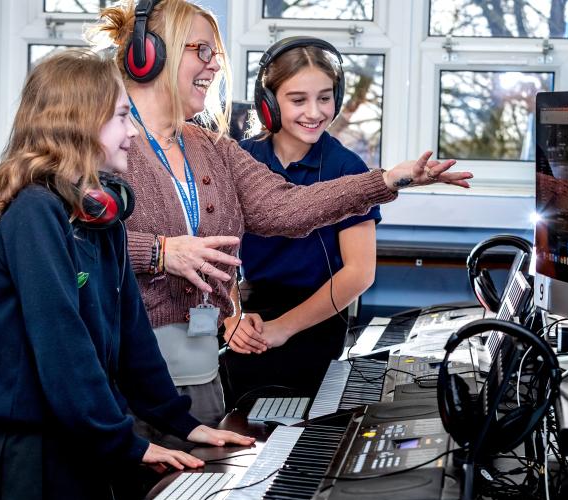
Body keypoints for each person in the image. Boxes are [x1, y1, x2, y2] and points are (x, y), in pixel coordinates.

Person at [92, 0, 472, 445]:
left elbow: (286, 209)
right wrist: (159, 252)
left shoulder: (212, 147)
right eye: (202, 50)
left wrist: (387, 180)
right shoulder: (100, 137)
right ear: (150, 54)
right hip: (124, 381)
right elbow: (62, 238)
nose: (214, 66)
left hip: (202, 374)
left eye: (216, 54)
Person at [0, 49, 253, 500]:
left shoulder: (102, 219)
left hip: (85, 440)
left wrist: (179, 421)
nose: (132, 132)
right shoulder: (36, 215)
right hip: (38, 454)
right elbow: (63, 346)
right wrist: (125, 440)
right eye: (122, 117)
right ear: (80, 123)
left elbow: (133, 337)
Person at [220, 38, 380, 405]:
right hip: (248, 311)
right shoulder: (239, 159)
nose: (315, 111)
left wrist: (282, 329)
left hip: (315, 319)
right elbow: (218, 248)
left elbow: (359, 273)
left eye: (325, 98)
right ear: (269, 103)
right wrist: (231, 317)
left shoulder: (347, 168)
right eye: (298, 100)